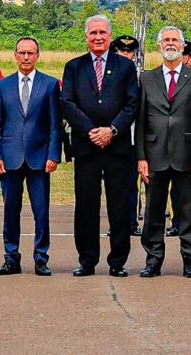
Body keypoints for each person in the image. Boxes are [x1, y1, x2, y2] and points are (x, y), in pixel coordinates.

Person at [60, 15, 139, 277]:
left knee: (119, 206)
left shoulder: (125, 67)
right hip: (87, 147)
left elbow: (132, 104)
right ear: (85, 36)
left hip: (117, 149)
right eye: (93, 33)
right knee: (86, 206)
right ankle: (87, 260)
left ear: (110, 35)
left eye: (102, 33)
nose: (97, 37)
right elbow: (68, 103)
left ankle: (118, 261)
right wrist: (91, 131)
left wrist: (112, 130)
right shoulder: (74, 67)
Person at [135, 25, 191, 277]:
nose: (170, 44)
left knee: (188, 212)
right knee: (153, 212)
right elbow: (141, 121)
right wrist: (141, 157)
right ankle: (153, 260)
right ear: (158, 45)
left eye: (175, 40)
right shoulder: (146, 78)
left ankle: (190, 260)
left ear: (183, 45)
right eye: (166, 39)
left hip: (186, 156)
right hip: (154, 155)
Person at [0, 36, 60, 275]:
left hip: (39, 158)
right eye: (22, 53)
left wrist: (54, 155)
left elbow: (54, 125)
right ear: (15, 55)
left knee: (41, 211)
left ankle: (41, 257)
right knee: (11, 211)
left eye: (31, 53)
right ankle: (11, 257)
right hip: (10, 158)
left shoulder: (50, 84)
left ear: (38, 55)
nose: (26, 57)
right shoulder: (3, 86)